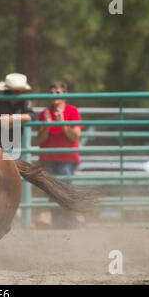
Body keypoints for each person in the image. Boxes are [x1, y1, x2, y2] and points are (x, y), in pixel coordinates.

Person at [36, 81, 85, 229]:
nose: (54, 96)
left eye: (57, 93)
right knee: (52, 192)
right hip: (48, 158)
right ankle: (58, 223)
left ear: (64, 94)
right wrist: (47, 125)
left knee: (65, 190)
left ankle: (70, 222)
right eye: (51, 93)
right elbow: (40, 139)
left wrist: (63, 123)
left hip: (67, 159)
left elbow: (75, 137)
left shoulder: (72, 111)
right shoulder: (44, 113)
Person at [0, 73, 36, 151]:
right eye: (18, 91)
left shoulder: (24, 102)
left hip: (14, 147)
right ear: (9, 92)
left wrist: (11, 118)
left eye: (23, 91)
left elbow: (31, 116)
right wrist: (0, 120)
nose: (23, 94)